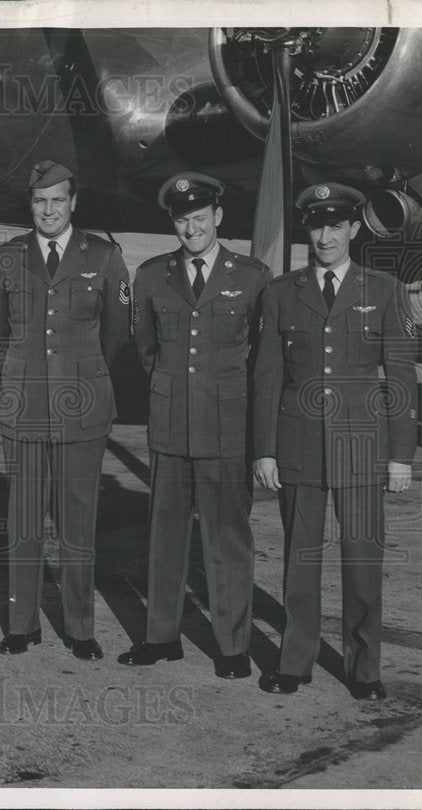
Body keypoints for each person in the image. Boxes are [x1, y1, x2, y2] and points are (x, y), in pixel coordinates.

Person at [253, 183, 417, 700]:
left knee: (362, 560)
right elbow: (267, 376)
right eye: (316, 225)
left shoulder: (384, 289)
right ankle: (295, 661)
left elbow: (401, 378)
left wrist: (399, 457)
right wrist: (265, 448)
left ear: (352, 229)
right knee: (300, 559)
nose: (325, 235)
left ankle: (364, 669)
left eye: (335, 225)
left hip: (363, 446)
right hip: (299, 445)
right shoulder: (282, 292)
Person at [118, 172, 272, 678]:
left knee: (227, 539)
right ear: (174, 223)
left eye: (200, 218)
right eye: (183, 220)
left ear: (218, 218)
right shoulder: (151, 275)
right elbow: (145, 350)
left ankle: (232, 646)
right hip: (168, 424)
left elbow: (261, 361)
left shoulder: (251, 276)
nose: (192, 228)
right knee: (164, 535)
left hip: (226, 428)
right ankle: (161, 637)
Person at [0, 160, 131, 660]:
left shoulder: (105, 256)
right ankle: (21, 625)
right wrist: (21, 374)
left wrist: (83, 373)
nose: (49, 210)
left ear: (74, 203)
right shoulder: (7, 257)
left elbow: (117, 331)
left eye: (58, 200)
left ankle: (79, 627)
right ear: (31, 206)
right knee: (23, 523)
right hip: (24, 407)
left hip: (82, 408)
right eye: (40, 201)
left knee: (78, 523)